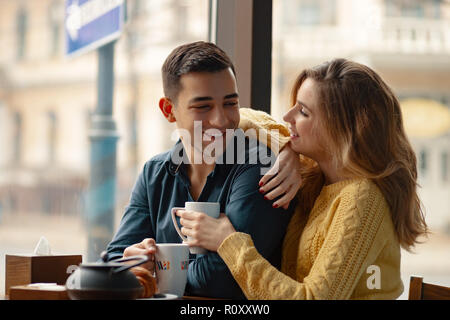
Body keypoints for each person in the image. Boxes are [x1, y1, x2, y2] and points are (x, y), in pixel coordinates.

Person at [176, 58, 429, 299]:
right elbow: (242, 117)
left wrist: (227, 242)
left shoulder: (361, 198)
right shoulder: (316, 176)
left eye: (304, 112)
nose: (287, 117)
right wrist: (286, 147)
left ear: (344, 129)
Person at [105, 41, 297, 299]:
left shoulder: (260, 166)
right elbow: (113, 262)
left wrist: (153, 272)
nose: (221, 119)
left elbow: (222, 280)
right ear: (169, 110)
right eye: (203, 106)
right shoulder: (154, 173)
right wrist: (132, 261)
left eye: (230, 103)